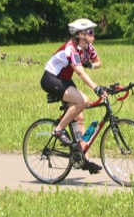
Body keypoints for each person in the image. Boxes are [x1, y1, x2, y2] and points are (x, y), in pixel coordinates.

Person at [41, 18, 107, 174]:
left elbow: (98, 62)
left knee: (80, 118)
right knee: (83, 100)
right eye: (90, 32)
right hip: (51, 78)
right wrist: (96, 88)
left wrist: (90, 64)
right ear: (80, 34)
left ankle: (85, 159)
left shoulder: (88, 48)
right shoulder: (70, 48)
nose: (93, 34)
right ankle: (58, 130)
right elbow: (79, 72)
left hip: (64, 79)